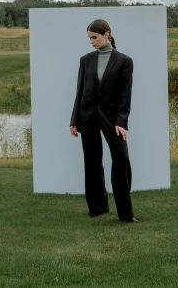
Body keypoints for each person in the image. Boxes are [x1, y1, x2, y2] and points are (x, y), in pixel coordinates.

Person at [69, 19, 140, 223]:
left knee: (121, 161)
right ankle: (98, 209)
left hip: (112, 120)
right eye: (89, 38)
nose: (91, 42)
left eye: (95, 37)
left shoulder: (124, 61)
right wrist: (74, 120)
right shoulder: (86, 60)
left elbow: (125, 97)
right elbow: (80, 92)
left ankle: (126, 215)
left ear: (106, 34)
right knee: (92, 164)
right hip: (87, 117)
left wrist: (121, 122)